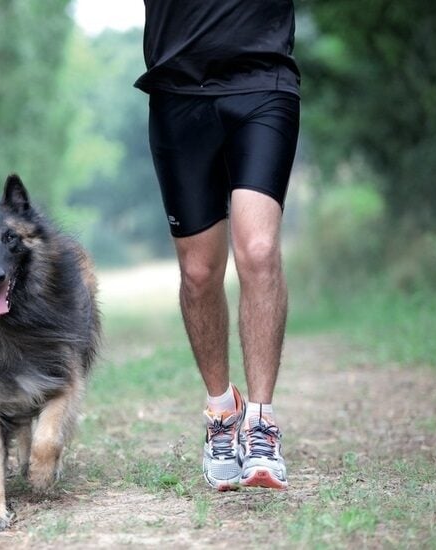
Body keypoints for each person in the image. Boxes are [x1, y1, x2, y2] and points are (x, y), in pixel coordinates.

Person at [135, 0, 301, 490]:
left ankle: (262, 424)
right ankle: (222, 414)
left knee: (258, 249)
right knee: (200, 272)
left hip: (263, 80)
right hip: (177, 91)